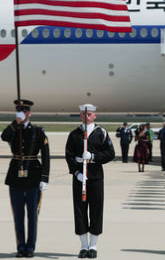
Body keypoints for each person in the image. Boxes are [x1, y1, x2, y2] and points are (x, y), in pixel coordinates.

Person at [0, 99, 50, 258]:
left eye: (24, 111)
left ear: (29, 113)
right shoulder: (14, 129)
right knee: (18, 214)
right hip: (15, 176)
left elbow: (46, 156)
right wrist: (16, 122)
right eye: (19, 111)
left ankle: (30, 247)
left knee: (32, 215)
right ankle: (20, 246)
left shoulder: (38, 131)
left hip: (34, 176)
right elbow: (3, 136)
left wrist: (45, 178)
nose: (22, 113)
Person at [65, 104, 115, 259]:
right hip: (80, 177)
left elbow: (110, 153)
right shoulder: (74, 134)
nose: (86, 116)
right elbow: (69, 155)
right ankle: (83, 246)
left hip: (95, 177)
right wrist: (76, 172)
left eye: (89, 114)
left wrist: (93, 156)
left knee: (96, 210)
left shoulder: (102, 133)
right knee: (80, 210)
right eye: (83, 114)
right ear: (80, 115)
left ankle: (93, 246)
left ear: (95, 116)